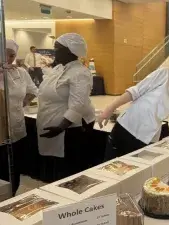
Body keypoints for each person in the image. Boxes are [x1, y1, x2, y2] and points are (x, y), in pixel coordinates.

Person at [36, 33, 95, 180]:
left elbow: (78, 105)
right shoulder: (60, 69)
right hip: (55, 127)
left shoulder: (80, 73)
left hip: (71, 129)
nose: (53, 52)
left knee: (69, 171)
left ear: (70, 51)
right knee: (56, 166)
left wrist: (61, 127)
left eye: (57, 48)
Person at [0, 40, 38, 195]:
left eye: (12, 55)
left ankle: (11, 196)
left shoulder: (20, 72)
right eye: (5, 54)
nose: (8, 58)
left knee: (16, 166)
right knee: (2, 167)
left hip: (17, 126)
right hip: (1, 130)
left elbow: (33, 89)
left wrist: (22, 103)